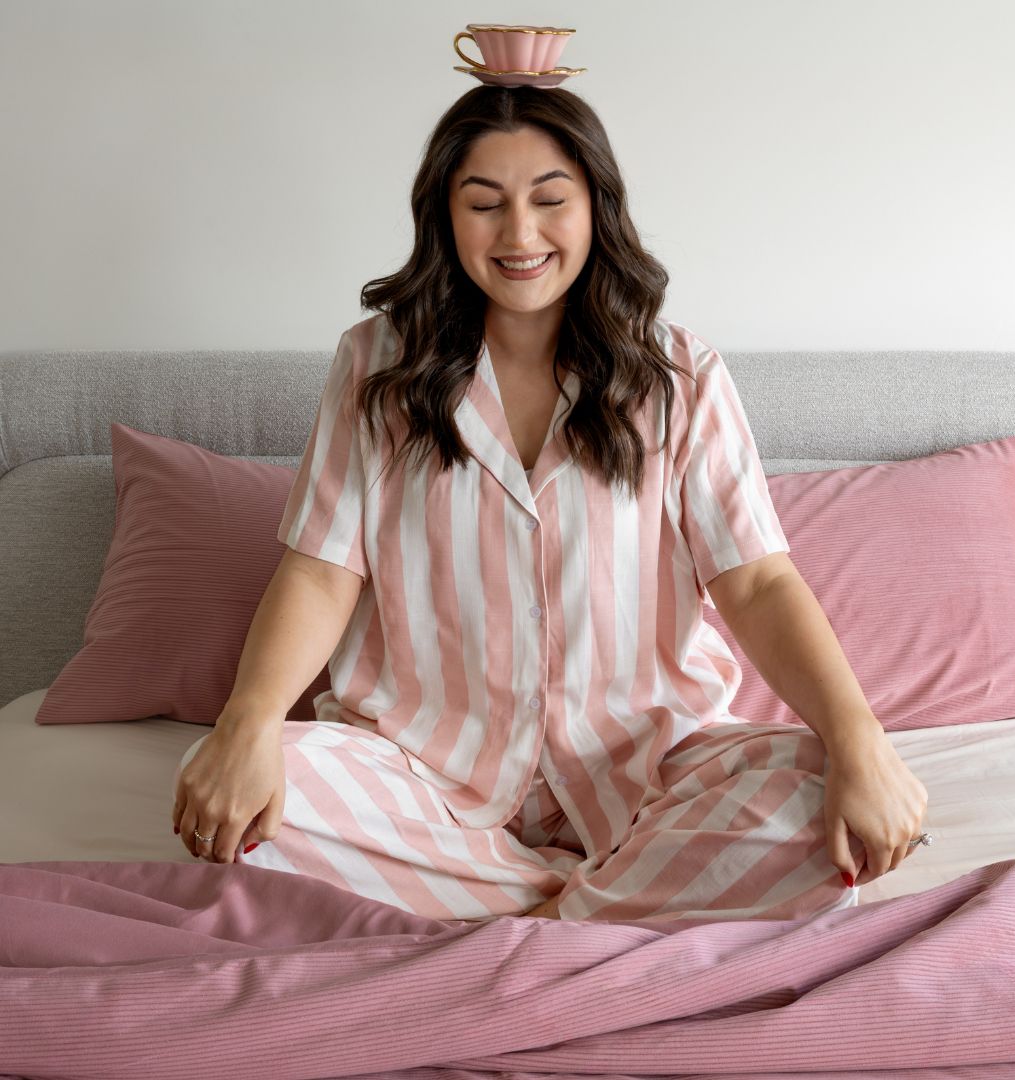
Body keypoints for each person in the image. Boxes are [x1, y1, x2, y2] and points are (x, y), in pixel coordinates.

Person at [171, 84, 930, 925]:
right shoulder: (374, 368)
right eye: (484, 204)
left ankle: (495, 926)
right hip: (426, 774)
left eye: (550, 200)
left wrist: (861, 739)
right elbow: (318, 573)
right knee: (259, 811)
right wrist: (247, 723)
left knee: (815, 801)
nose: (520, 234)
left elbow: (757, 584)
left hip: (650, 777)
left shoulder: (681, 376)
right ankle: (597, 918)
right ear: (444, 217)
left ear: (596, 209)